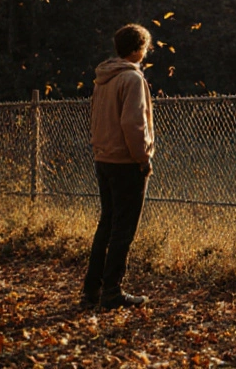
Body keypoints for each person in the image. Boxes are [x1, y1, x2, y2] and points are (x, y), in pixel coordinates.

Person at [81, 23, 155, 310]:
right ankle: (112, 290)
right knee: (123, 229)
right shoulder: (132, 79)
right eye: (145, 48)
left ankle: (92, 289)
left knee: (107, 224)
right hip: (126, 161)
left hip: (104, 158)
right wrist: (143, 158)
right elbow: (133, 124)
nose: (146, 53)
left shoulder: (103, 79)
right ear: (138, 49)